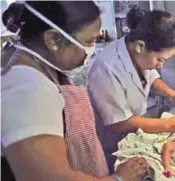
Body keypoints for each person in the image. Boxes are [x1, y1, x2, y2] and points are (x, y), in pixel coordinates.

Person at [1, 2, 147, 181]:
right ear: (53, 39)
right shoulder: (27, 89)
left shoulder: (35, 62)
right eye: (88, 41)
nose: (90, 51)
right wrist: (119, 178)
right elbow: (50, 177)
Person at [86, 8, 175, 172]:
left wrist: (171, 93)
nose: (161, 65)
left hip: (134, 136)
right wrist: (167, 124)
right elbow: (119, 123)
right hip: (110, 143)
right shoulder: (106, 68)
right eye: (160, 59)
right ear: (140, 46)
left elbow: (151, 77)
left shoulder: (139, 54)